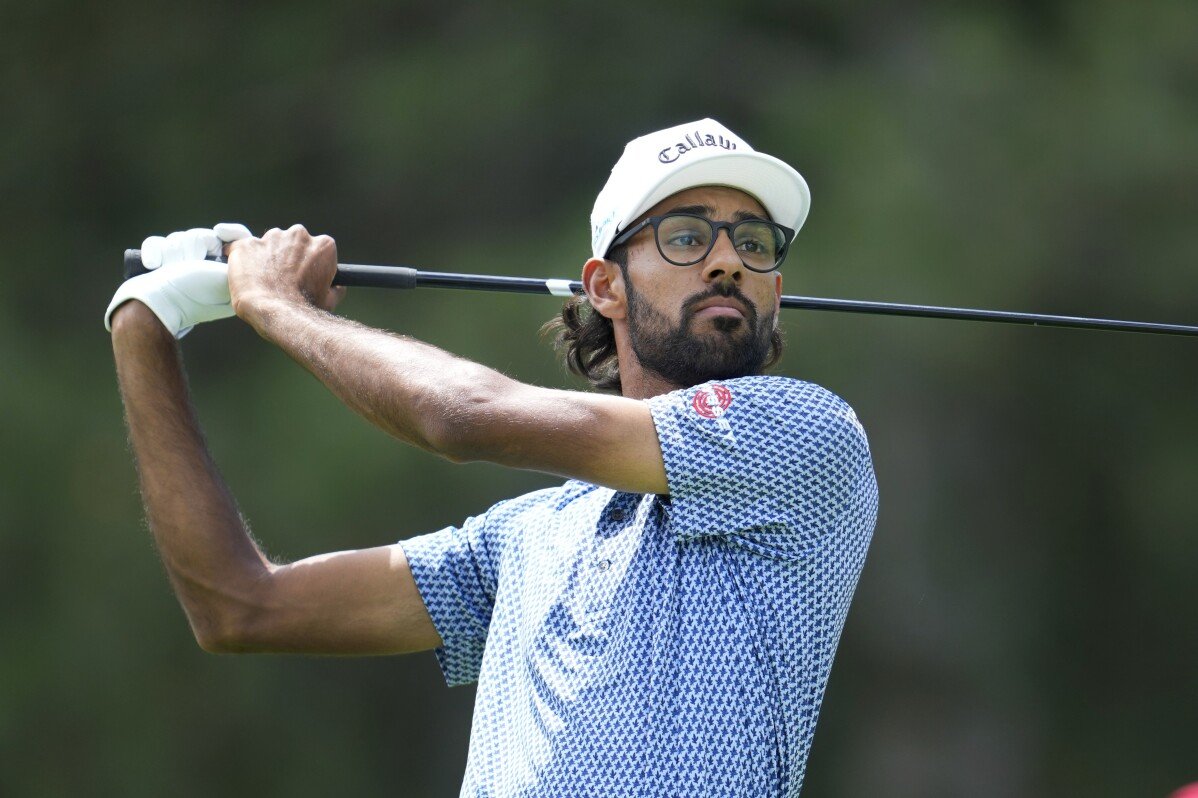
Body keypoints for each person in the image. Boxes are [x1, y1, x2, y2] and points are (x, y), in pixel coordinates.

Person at [106, 118, 879, 797]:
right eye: (685, 236)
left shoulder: (808, 436)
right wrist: (144, 325)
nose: (727, 262)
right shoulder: (526, 540)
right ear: (605, 287)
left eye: (754, 242)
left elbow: (462, 418)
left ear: (775, 285)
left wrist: (273, 305)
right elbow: (241, 605)